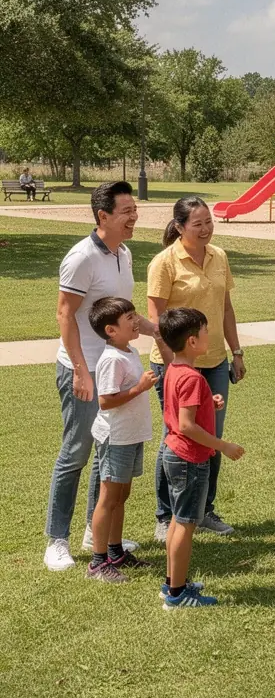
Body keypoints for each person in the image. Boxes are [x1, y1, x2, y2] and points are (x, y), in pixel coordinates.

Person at [43, 181, 154, 572]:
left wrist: (161, 332)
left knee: (106, 453)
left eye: (134, 210)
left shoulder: (123, 253)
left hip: (112, 368)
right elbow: (64, 315)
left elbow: (124, 313)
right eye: (126, 212)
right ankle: (57, 539)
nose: (134, 217)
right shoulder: (82, 257)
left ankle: (97, 532)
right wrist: (79, 371)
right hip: (83, 369)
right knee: (76, 452)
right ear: (102, 216)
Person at [148, 196, 245, 541]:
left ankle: (204, 509)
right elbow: (156, 320)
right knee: (175, 439)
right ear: (179, 227)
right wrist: (174, 366)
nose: (205, 229)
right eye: (197, 223)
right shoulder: (164, 263)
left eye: (208, 222)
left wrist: (236, 352)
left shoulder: (219, 256)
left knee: (211, 439)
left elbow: (227, 309)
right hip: (176, 366)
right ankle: (165, 515)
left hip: (215, 361)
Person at [159, 307, 245, 609]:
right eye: (206, 330)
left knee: (176, 521)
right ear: (193, 341)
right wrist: (223, 445)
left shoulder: (174, 370)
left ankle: (172, 583)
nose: (210, 334)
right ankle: (178, 595)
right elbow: (186, 425)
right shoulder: (193, 378)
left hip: (174, 454)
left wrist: (211, 402)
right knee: (185, 524)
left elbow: (188, 411)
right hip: (189, 459)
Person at [85, 297, 157, 584]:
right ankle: (98, 563)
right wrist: (140, 388)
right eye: (129, 317)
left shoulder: (127, 351)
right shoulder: (112, 359)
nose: (136, 320)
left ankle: (115, 552)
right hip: (116, 438)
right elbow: (105, 401)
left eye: (134, 314)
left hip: (130, 435)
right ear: (110, 330)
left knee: (121, 496)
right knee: (108, 497)